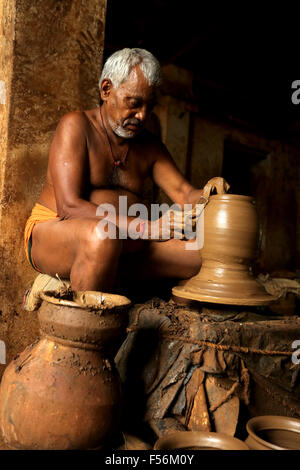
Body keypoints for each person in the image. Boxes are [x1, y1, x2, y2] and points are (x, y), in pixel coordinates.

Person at [24, 48, 204, 293]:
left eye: (149, 107)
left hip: (126, 241)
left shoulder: (150, 146)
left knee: (200, 253)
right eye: (134, 103)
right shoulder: (76, 126)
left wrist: (212, 192)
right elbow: (70, 207)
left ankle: (98, 274)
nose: (142, 115)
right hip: (58, 231)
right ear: (106, 90)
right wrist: (146, 228)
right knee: (104, 237)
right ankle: (86, 315)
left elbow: (185, 194)